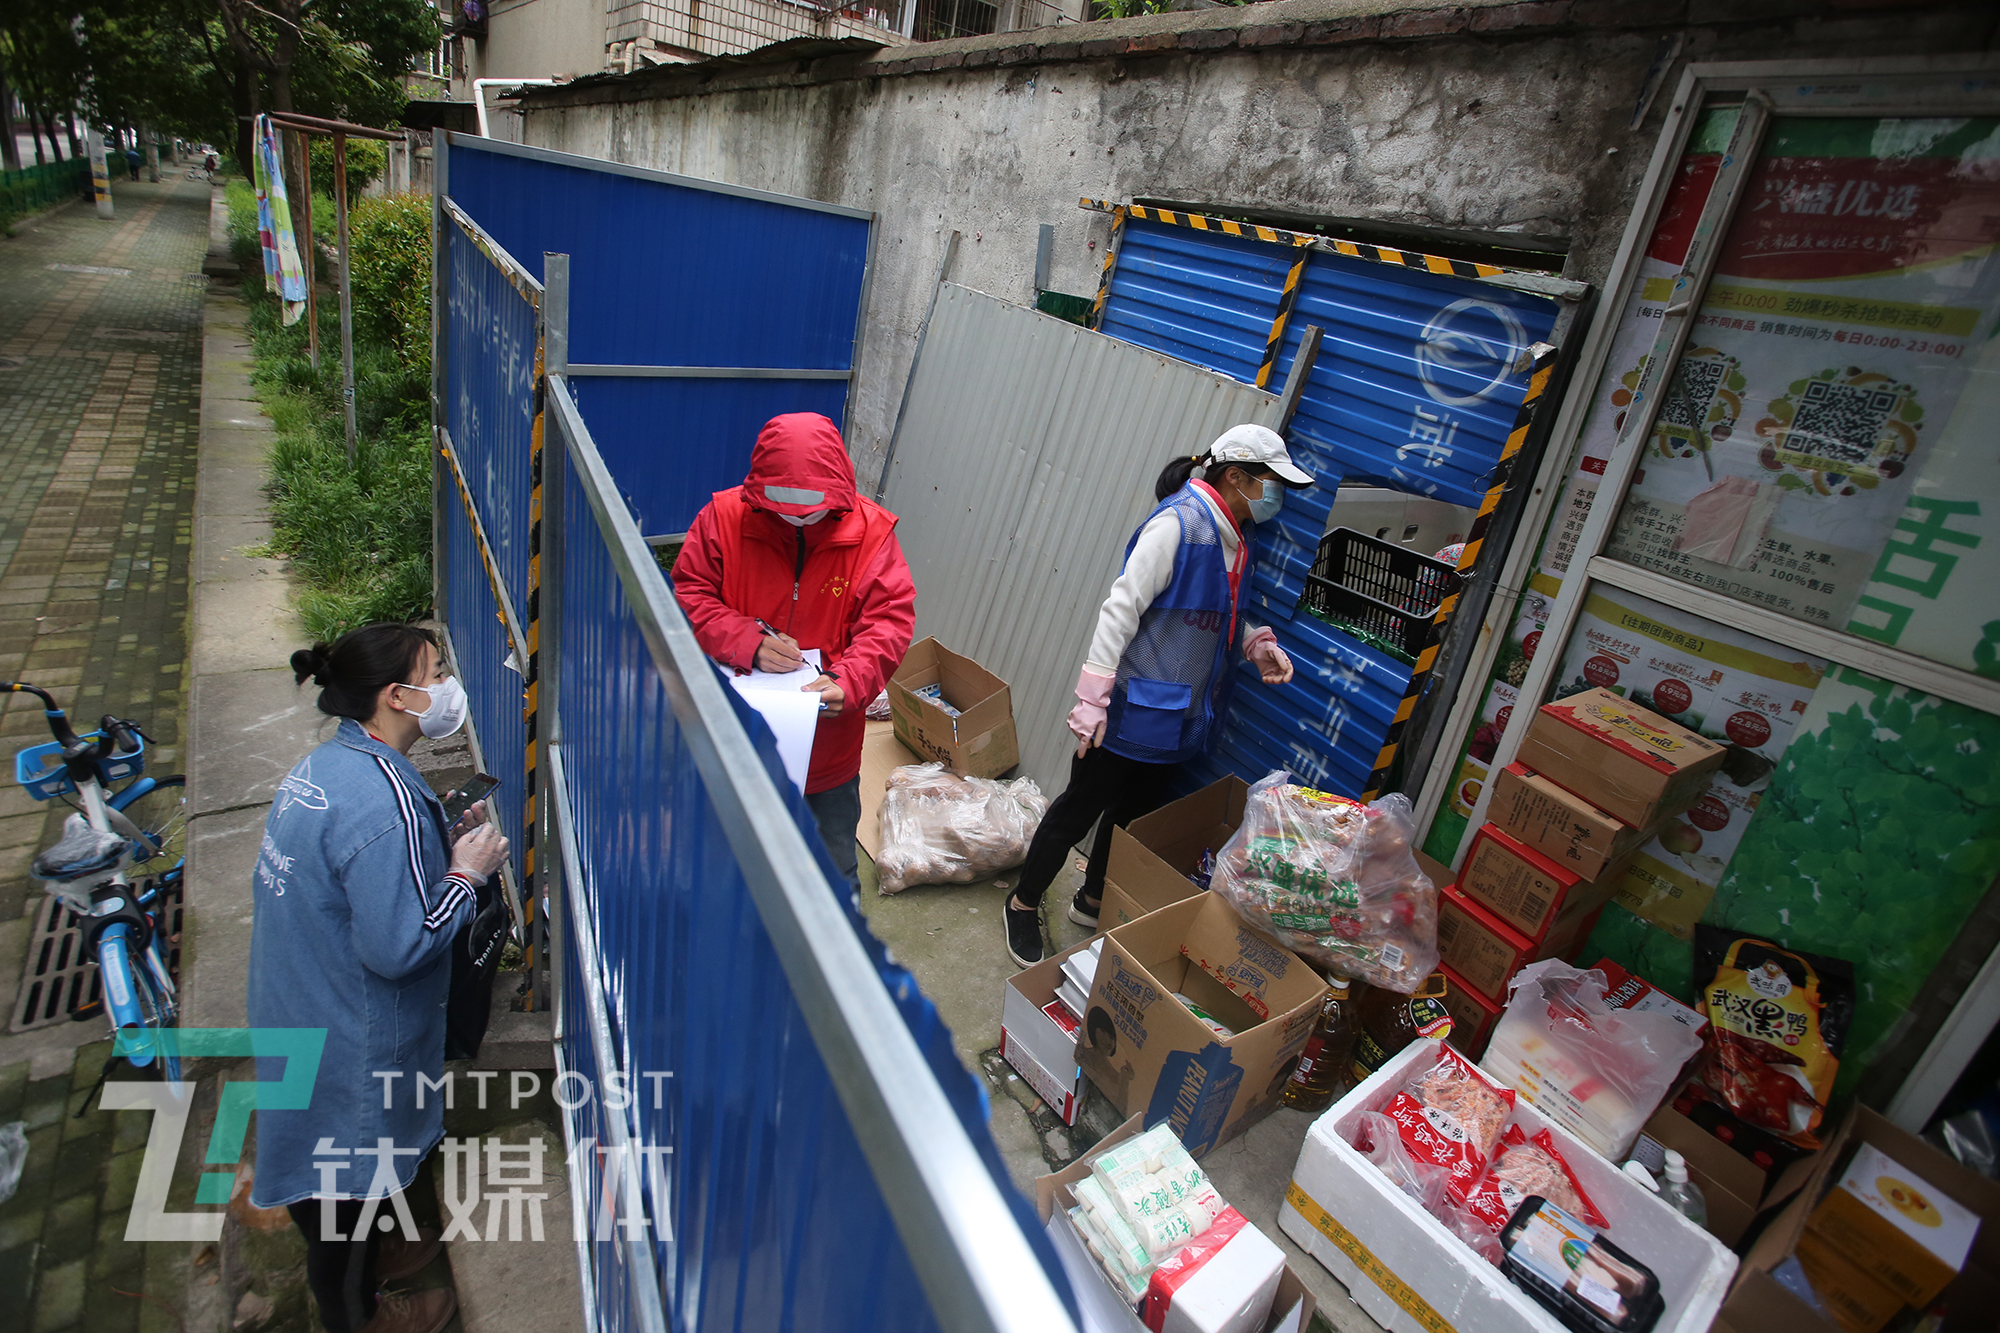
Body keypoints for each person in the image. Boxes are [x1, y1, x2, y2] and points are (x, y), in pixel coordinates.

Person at [248, 624, 510, 1333]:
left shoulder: (328, 768)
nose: (448, 683)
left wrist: (441, 837)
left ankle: (382, 1249)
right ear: (399, 696)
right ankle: (359, 1315)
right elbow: (402, 944)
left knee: (339, 1182)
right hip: (350, 1040)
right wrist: (467, 874)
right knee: (340, 1204)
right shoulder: (379, 802)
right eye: (437, 670)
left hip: (302, 1007)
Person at [1002, 424, 1313, 967]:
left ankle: (1092, 897)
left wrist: (1254, 644)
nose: (1275, 496)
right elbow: (1120, 609)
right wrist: (1091, 701)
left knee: (1132, 817)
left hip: (1180, 717)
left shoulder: (1236, 536)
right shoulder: (1179, 524)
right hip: (1125, 712)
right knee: (1078, 812)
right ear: (1236, 477)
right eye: (1270, 482)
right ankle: (1023, 902)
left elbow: (1208, 615)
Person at [674, 411, 916, 888]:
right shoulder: (722, 520)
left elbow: (888, 622)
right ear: (759, 490)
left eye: (811, 507)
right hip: (737, 740)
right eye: (783, 504)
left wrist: (848, 681)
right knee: (732, 866)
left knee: (831, 873)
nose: (798, 514)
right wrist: (747, 642)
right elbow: (690, 593)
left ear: (839, 490)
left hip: (827, 753)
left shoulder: (872, 537)